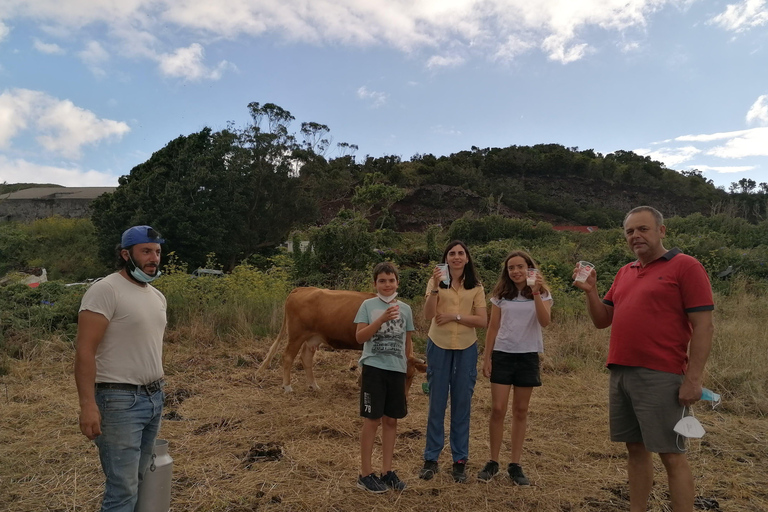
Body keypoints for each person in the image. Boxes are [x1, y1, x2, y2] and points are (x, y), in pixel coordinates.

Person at [573, 206, 714, 512]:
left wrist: (694, 378)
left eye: (643, 229)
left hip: (661, 375)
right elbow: (602, 320)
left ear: (661, 231)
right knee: (634, 449)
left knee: (671, 454)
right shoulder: (625, 271)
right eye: (629, 231)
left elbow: (704, 325)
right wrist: (591, 291)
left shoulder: (686, 267)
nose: (635, 236)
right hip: (621, 374)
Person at [74, 225, 168, 512]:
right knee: (122, 489)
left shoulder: (157, 296)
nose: (153, 258)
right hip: (118, 401)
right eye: (146, 252)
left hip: (154, 397)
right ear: (126, 254)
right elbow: (85, 350)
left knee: (139, 479)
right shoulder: (105, 290)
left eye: (157, 252)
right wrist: (88, 405)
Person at [478, 250, 552, 485]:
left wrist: (537, 292)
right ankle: (493, 461)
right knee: (498, 409)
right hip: (503, 353)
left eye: (521, 266)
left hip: (527, 355)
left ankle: (515, 464)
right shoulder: (501, 294)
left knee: (520, 411)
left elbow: (544, 321)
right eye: (511, 268)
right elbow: (493, 327)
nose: (516, 271)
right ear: (507, 272)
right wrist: (487, 357)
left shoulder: (543, 293)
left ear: (530, 268)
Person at [419, 240, 487, 483]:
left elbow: (482, 321)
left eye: (461, 253)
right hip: (438, 345)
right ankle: (431, 458)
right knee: (436, 403)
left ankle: (459, 460)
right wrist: (436, 288)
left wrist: (454, 316)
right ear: (446, 258)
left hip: (466, 348)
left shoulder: (476, 286)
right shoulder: (435, 282)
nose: (456, 257)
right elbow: (428, 315)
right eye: (452, 254)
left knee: (462, 404)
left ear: (467, 258)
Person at [354, 262, 415, 493]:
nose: (387, 285)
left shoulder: (406, 309)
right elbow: (360, 337)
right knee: (372, 420)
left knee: (391, 420)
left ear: (397, 282)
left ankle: (386, 471)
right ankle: (365, 473)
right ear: (375, 284)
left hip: (396, 370)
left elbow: (407, 343)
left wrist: (410, 365)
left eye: (391, 280)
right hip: (374, 368)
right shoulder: (367, 305)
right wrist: (380, 320)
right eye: (382, 281)